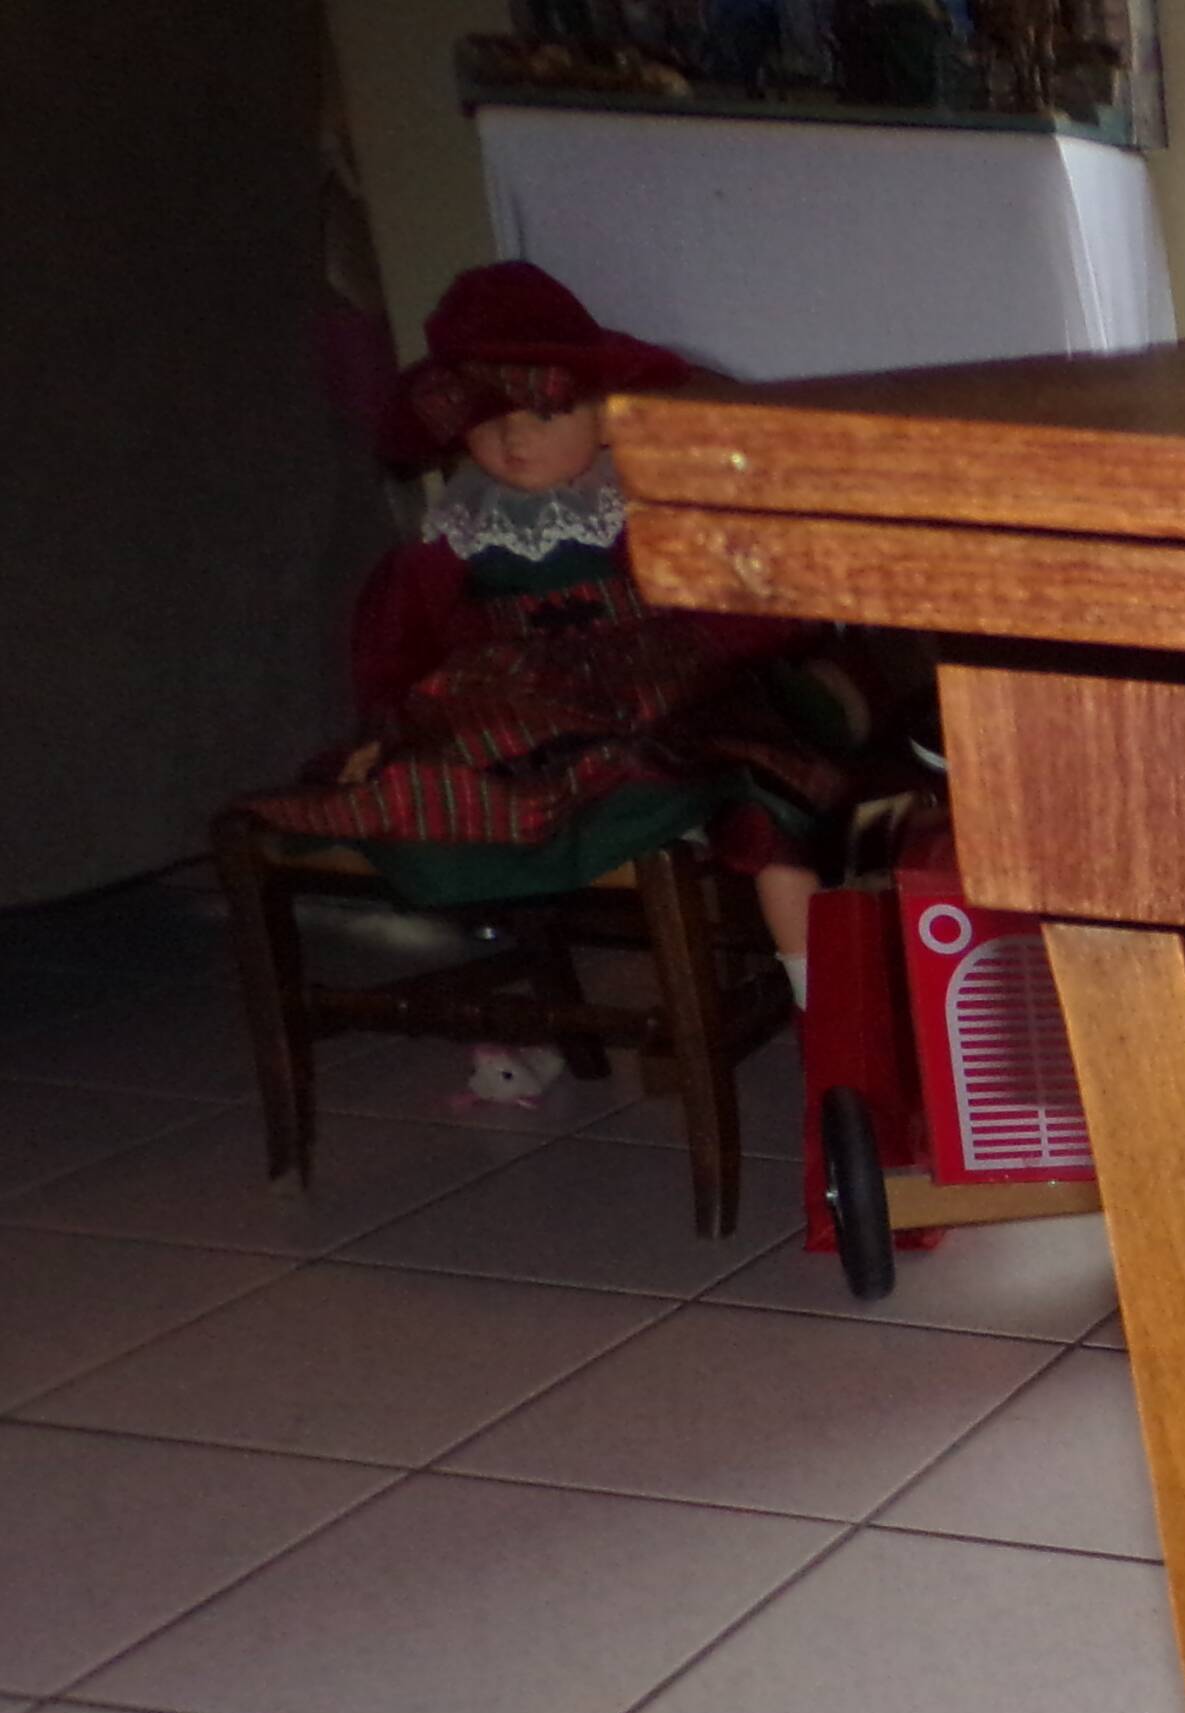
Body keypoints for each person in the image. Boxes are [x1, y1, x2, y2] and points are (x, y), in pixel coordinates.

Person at [242, 262, 851, 1107]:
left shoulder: (636, 510)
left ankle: (827, 1006)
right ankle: (544, 995)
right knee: (452, 771)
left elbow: (741, 599)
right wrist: (386, 724)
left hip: (656, 684)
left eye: (543, 412)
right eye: (487, 422)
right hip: (517, 703)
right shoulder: (454, 534)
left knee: (741, 780)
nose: (513, 440)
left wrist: (757, 632)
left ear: (604, 420)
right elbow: (399, 640)